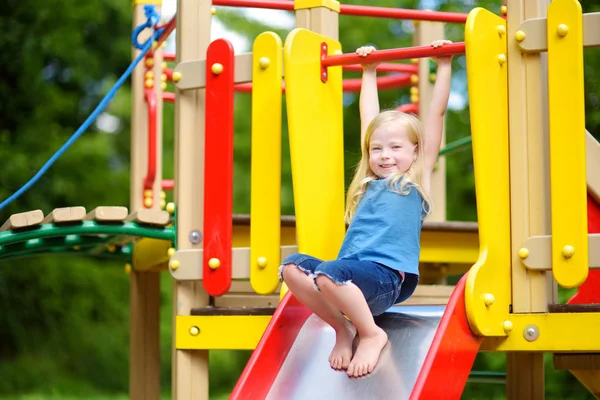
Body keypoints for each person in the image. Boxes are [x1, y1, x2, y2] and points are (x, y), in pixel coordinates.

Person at [278, 39, 453, 378]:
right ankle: (344, 329)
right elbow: (368, 120)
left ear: (416, 152)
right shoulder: (367, 182)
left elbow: (436, 115)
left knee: (330, 272)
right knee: (292, 268)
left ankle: (372, 333)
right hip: (349, 279)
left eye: (395, 147)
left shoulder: (415, 181)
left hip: (385, 279)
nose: (385, 155)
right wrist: (368, 71)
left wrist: (444, 65)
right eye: (377, 148)